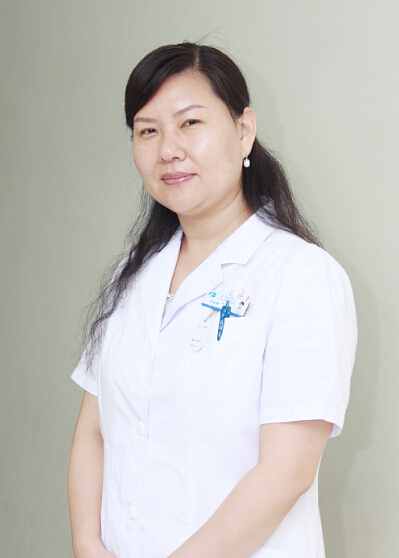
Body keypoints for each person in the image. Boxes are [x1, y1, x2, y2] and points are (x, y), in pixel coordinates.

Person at [67, 42, 357, 558]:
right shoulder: (130, 278)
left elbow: (285, 473)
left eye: (190, 123)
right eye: (147, 131)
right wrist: (88, 544)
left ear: (244, 130)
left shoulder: (302, 277)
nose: (168, 149)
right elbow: (94, 430)